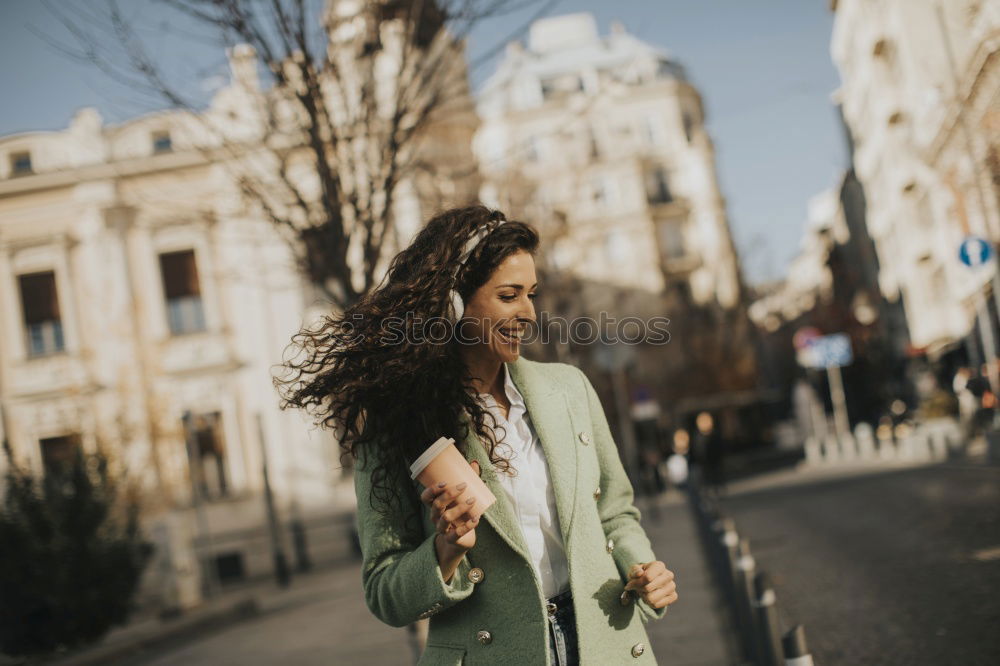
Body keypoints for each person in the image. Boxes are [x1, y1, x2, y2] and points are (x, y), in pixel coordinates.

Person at [277, 206, 677, 665]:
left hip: (603, 640)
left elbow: (615, 513)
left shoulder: (569, 390)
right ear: (454, 303)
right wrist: (445, 551)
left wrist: (641, 566)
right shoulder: (398, 423)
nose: (528, 312)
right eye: (509, 295)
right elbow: (385, 593)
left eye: (531, 293)